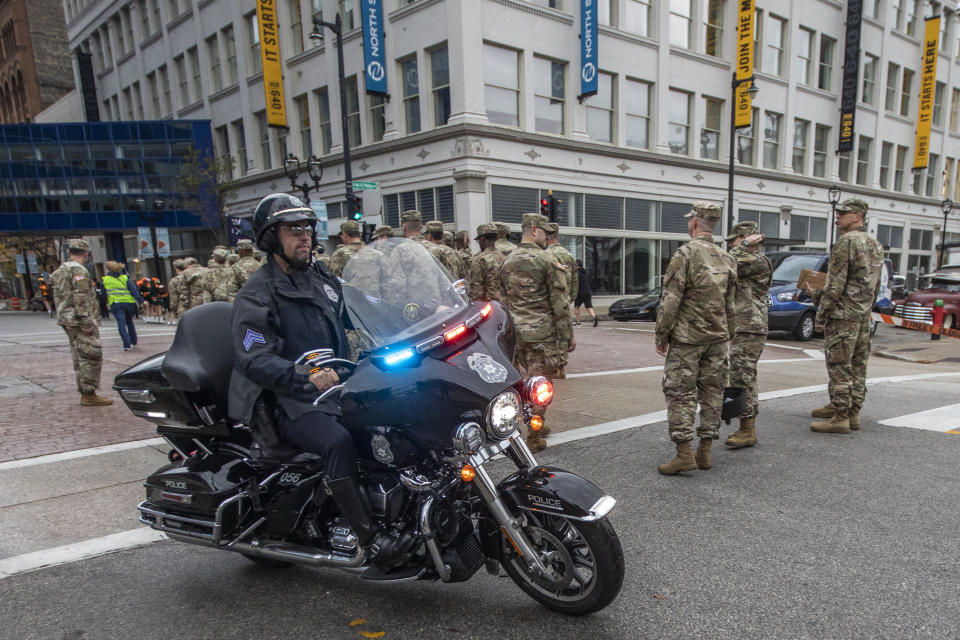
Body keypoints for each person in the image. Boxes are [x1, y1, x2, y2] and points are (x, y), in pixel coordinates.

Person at [230, 193, 414, 565]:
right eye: (291, 229)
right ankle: (371, 538)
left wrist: (411, 317)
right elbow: (254, 359)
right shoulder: (257, 294)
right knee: (338, 443)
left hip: (336, 387)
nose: (303, 237)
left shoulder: (321, 278)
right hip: (286, 401)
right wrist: (306, 376)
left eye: (306, 228)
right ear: (270, 238)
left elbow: (360, 309)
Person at [654, 201, 736, 475]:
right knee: (713, 393)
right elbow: (731, 304)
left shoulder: (685, 254)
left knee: (679, 392)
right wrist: (729, 334)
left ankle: (683, 453)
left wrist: (662, 334)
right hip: (717, 338)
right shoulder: (727, 258)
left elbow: (671, 299)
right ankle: (705, 451)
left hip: (688, 339)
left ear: (693, 222)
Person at [804, 198, 884, 434]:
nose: (838, 216)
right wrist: (866, 308)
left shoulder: (846, 242)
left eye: (843, 213)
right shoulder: (875, 244)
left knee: (839, 364)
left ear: (857, 216)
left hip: (843, 315)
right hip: (861, 315)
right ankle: (853, 412)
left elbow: (835, 285)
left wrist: (820, 311)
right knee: (858, 364)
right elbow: (876, 285)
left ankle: (840, 416)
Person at [500, 213, 574, 453]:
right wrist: (567, 336)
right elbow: (560, 303)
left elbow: (502, 300)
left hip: (514, 335)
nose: (547, 237)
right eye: (544, 232)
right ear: (533, 229)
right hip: (541, 335)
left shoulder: (507, 260)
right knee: (541, 387)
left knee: (519, 385)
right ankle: (533, 435)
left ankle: (522, 428)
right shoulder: (548, 260)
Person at [723, 222, 772, 449]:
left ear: (747, 238)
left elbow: (727, 263)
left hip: (750, 326)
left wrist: (744, 245)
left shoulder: (757, 261)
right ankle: (746, 426)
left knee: (743, 377)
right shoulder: (746, 259)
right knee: (741, 375)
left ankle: (747, 429)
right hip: (743, 325)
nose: (731, 244)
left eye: (734, 239)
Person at [50, 239, 113, 406]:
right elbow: (81, 296)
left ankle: (85, 390)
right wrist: (86, 320)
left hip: (67, 318)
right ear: (86, 254)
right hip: (78, 319)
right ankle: (89, 392)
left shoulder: (60, 270)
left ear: (69, 252)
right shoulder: (78, 270)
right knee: (90, 354)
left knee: (78, 355)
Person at [544, 222, 578, 378]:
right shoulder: (567, 255)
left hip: (546, 303)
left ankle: (552, 365)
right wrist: (569, 298)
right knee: (563, 331)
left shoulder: (544, 254)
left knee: (549, 334)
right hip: (564, 301)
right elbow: (575, 281)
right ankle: (562, 365)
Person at [103, 260, 147, 351]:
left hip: (116, 304)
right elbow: (133, 290)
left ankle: (126, 344)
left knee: (121, 324)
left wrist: (104, 304)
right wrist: (141, 300)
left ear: (108, 269)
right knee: (130, 322)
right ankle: (133, 342)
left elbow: (103, 295)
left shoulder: (105, 280)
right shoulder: (125, 278)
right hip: (129, 303)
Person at [468, 223, 506, 302]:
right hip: (504, 307)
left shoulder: (480, 260)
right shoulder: (505, 257)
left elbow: (476, 292)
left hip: (489, 308)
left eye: (479, 241)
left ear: (483, 239)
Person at [573, 259, 597, 327]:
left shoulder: (576, 273)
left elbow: (575, 283)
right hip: (587, 291)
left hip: (579, 292)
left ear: (576, 265)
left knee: (576, 307)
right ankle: (594, 317)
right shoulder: (587, 271)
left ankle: (578, 323)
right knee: (589, 306)